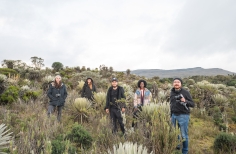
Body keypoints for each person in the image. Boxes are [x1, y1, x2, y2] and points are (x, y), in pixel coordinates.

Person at [170, 78, 195, 154]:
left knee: (184, 135)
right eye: (175, 82)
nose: (176, 83)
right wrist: (171, 115)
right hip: (174, 115)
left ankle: (185, 151)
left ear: (181, 84)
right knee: (175, 133)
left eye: (178, 82)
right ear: (173, 84)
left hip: (183, 116)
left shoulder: (185, 92)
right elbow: (171, 104)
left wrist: (185, 101)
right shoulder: (172, 92)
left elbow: (192, 104)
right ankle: (177, 147)